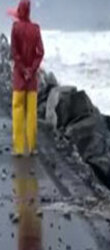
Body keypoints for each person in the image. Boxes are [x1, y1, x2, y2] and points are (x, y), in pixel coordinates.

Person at [8, 0, 44, 157]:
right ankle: (32, 147)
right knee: (31, 113)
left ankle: (18, 148)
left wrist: (22, 70)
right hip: (32, 80)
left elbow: (14, 52)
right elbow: (40, 52)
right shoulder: (35, 29)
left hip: (19, 78)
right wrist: (31, 69)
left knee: (18, 111)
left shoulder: (15, 28)